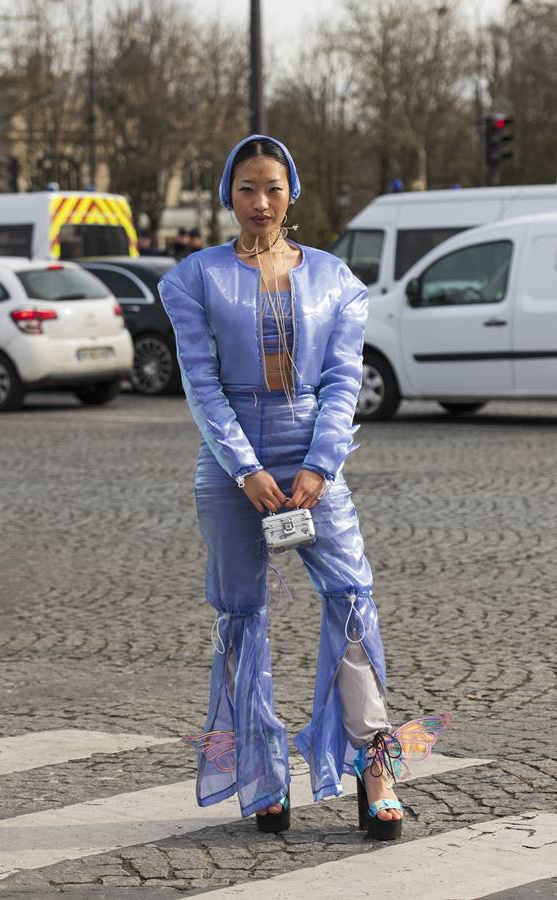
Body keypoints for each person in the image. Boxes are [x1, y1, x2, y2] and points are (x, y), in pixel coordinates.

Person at [158, 135, 450, 839]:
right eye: (248, 188)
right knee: (241, 615)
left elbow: (343, 380)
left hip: (316, 458)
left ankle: (374, 768)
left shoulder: (335, 279)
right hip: (234, 467)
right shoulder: (193, 279)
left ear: (293, 194)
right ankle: (261, 774)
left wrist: (320, 466)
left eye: (274, 188)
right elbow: (201, 385)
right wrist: (245, 469)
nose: (261, 203)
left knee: (353, 599)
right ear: (229, 193)